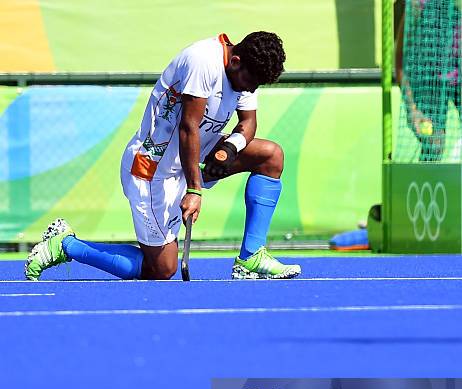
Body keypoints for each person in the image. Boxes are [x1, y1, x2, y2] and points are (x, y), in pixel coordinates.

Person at [25, 31, 301, 281]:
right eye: (251, 83)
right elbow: (188, 127)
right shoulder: (203, 61)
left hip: (195, 153)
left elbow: (248, 123)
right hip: (153, 168)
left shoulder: (244, 74)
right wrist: (194, 188)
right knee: (162, 269)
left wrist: (228, 149)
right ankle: (64, 244)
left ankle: (250, 258)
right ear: (236, 60)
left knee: (270, 156)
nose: (251, 90)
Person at [396, 0, 461, 161]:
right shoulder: (418, 5)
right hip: (428, 82)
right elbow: (400, 59)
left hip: (458, 77)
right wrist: (411, 108)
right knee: (434, 145)